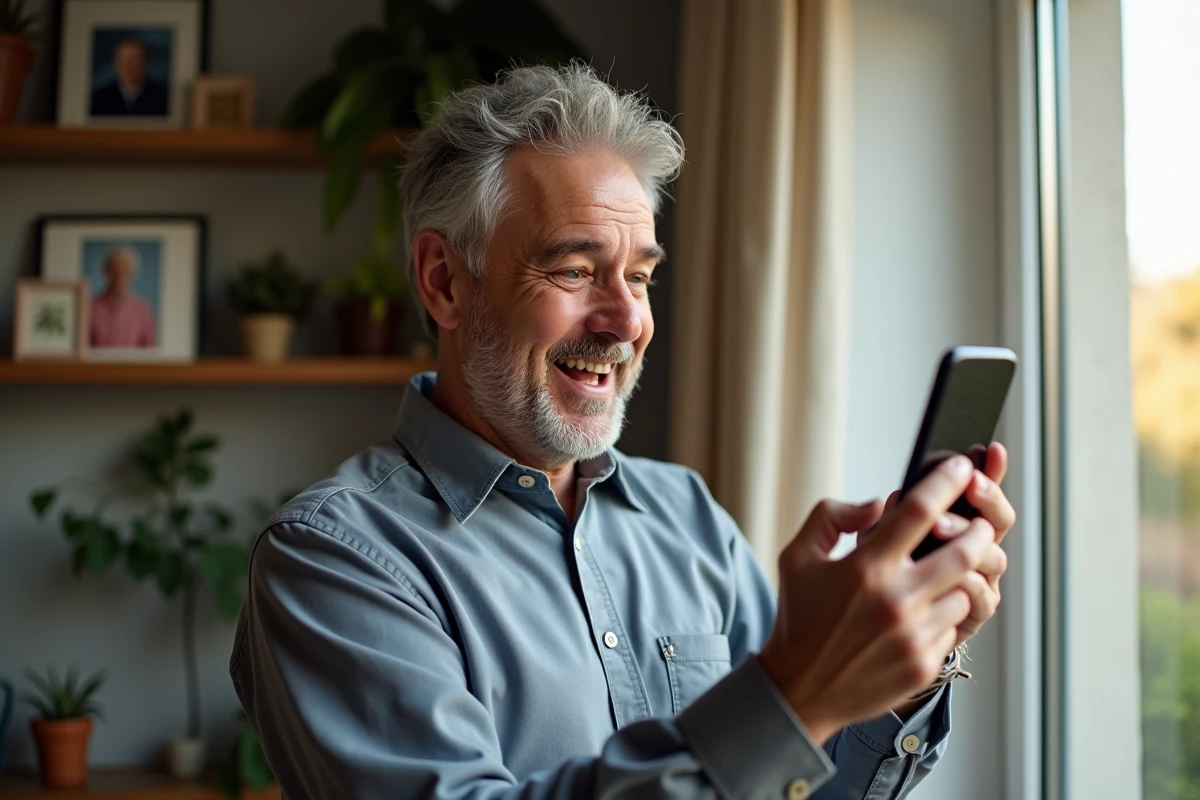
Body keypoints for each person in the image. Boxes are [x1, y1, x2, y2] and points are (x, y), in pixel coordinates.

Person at [232, 64, 1014, 799]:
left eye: (639, 276)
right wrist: (796, 693)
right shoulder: (334, 557)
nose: (627, 320)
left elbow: (795, 783)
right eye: (575, 271)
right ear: (444, 282)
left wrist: (895, 666)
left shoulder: (688, 518)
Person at [90, 246, 155, 348]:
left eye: (125, 270)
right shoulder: (90, 307)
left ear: (133, 274)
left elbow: (149, 349)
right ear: (106, 272)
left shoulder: (143, 309)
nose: (119, 276)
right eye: (114, 270)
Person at [89, 38, 168, 117]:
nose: (129, 65)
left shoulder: (163, 97)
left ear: (146, 63)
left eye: (135, 60)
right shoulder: (99, 98)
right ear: (115, 64)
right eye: (123, 60)